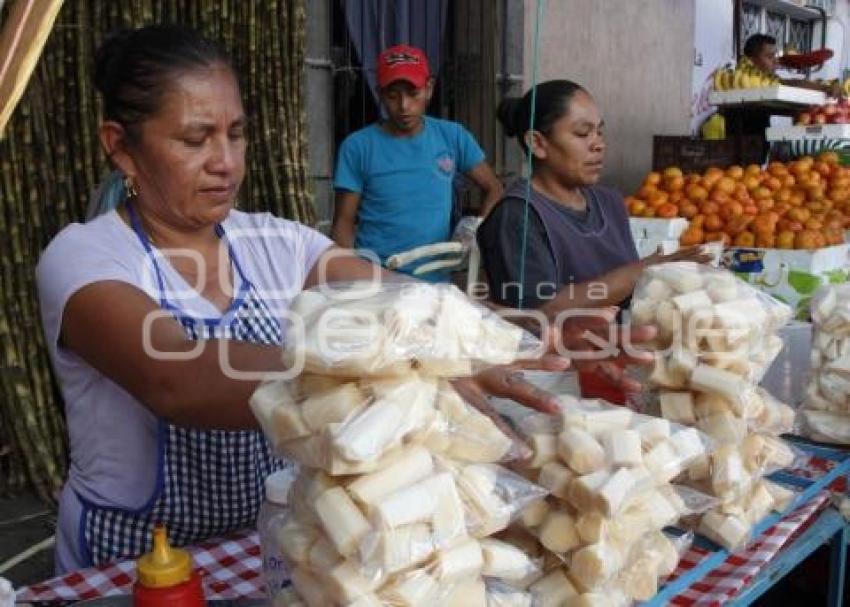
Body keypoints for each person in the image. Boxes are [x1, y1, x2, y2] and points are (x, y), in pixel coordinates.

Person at [36, 26, 580, 573]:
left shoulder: (279, 243)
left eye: (236, 134)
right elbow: (175, 376)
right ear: (121, 148)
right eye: (195, 140)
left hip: (267, 545)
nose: (226, 162)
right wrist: (403, 370)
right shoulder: (83, 257)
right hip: (133, 562)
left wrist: (530, 326)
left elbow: (411, 302)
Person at [478, 80, 708, 315]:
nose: (599, 144)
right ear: (537, 143)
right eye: (582, 133)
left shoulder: (610, 202)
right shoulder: (517, 216)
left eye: (599, 131)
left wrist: (665, 273)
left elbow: (632, 293)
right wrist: (641, 271)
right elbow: (539, 310)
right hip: (562, 349)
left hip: (629, 342)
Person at [331, 44, 504, 281]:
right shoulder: (358, 146)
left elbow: (494, 188)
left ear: (429, 88)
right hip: (377, 278)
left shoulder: (452, 137)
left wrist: (476, 229)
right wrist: (351, 278)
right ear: (379, 93)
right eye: (393, 96)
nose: (404, 106)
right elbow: (343, 221)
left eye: (413, 94)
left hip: (434, 282)